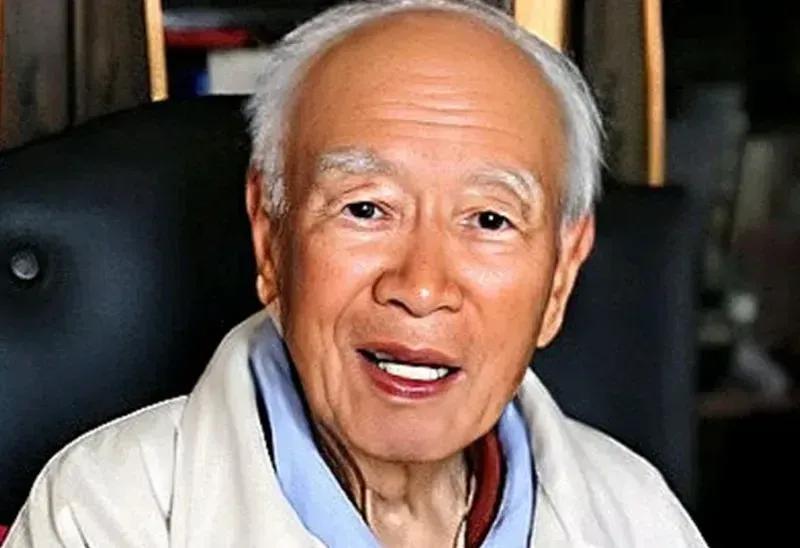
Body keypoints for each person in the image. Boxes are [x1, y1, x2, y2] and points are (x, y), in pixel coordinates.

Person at [5, 1, 707, 546]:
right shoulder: (103, 512)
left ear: (560, 277)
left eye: (490, 220)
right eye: (366, 208)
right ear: (270, 239)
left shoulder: (637, 515)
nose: (422, 287)